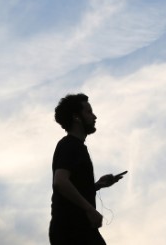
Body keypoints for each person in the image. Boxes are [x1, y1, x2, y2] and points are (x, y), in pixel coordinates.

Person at [50, 93, 125, 244]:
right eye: (89, 112)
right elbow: (60, 182)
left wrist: (97, 185)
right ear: (76, 117)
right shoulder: (69, 145)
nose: (94, 116)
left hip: (78, 229)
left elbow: (71, 185)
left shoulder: (76, 147)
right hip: (72, 231)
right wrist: (90, 210)